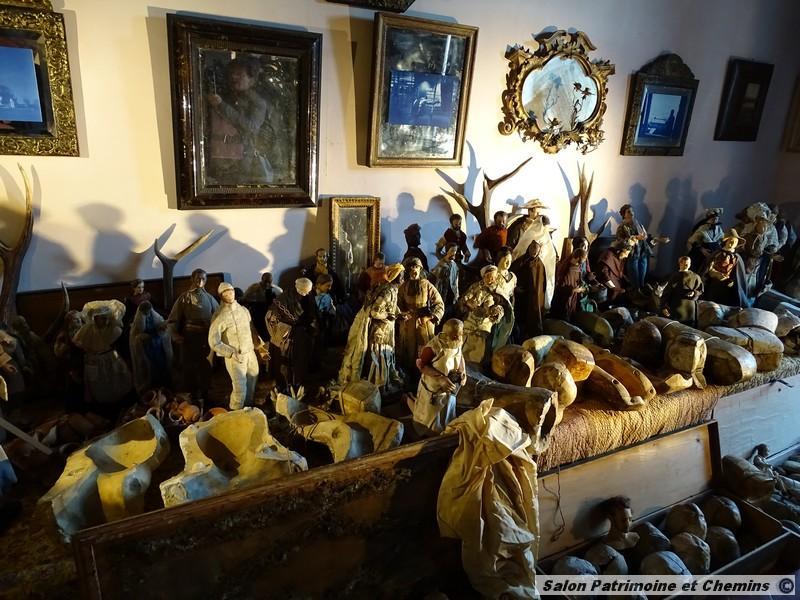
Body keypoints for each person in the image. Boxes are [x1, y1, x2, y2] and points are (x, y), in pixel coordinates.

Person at [206, 56, 272, 185]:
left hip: (241, 162)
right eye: (232, 73)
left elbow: (250, 127)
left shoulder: (257, 102)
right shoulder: (228, 96)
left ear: (252, 79)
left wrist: (221, 105)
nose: (233, 77)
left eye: (239, 74)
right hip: (219, 158)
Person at [339, 263, 404, 390]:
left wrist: (399, 314)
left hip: (385, 328)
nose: (403, 278)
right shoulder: (388, 291)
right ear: (396, 277)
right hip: (381, 329)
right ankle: (377, 382)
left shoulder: (388, 288)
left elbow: (391, 306)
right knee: (379, 354)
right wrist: (388, 316)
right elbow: (375, 312)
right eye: (401, 275)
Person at [209, 282, 267, 410]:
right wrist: (230, 352)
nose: (229, 294)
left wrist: (259, 346)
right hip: (236, 357)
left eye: (231, 291)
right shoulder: (220, 315)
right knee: (240, 388)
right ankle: (235, 412)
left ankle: (248, 409)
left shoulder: (244, 310)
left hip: (250, 352)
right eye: (225, 293)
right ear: (221, 296)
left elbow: (251, 328)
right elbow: (213, 341)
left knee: (252, 380)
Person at [167, 268, 219, 400]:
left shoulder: (209, 298)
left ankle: (205, 392)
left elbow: (218, 315)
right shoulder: (184, 298)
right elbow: (173, 319)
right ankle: (191, 394)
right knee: (189, 366)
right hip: (189, 337)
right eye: (198, 278)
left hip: (206, 337)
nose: (200, 281)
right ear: (192, 279)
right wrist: (174, 334)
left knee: (206, 365)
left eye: (203, 279)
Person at [409, 319, 466, 437]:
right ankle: (426, 432)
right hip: (433, 388)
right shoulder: (433, 347)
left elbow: (460, 355)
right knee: (429, 416)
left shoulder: (457, 342)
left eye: (460, 334)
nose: (459, 338)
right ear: (446, 333)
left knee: (446, 413)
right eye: (455, 336)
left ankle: (445, 430)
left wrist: (463, 371)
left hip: (450, 388)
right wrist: (440, 378)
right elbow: (422, 365)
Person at [72, 300, 132, 406]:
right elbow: (81, 344)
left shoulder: (113, 330)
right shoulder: (87, 330)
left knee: (115, 380)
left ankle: (117, 402)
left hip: (110, 358)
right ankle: (101, 403)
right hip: (94, 360)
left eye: (106, 318)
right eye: (101, 318)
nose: (104, 321)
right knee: (98, 383)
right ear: (95, 318)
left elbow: (119, 343)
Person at [397, 257, 444, 375]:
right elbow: (397, 304)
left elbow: (439, 303)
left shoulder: (427, 285)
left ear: (420, 269)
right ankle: (409, 373)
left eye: (416, 267)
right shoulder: (403, 286)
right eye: (411, 268)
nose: (414, 270)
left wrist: (429, 317)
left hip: (424, 321)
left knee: (424, 348)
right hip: (408, 322)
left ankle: (424, 373)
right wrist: (402, 314)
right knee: (408, 348)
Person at [267, 278, 318, 387]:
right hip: (286, 336)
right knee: (285, 365)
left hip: (302, 335)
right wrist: (286, 330)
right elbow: (272, 319)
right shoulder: (282, 300)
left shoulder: (308, 297)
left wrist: (312, 326)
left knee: (300, 362)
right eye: (304, 292)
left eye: (308, 292)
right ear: (298, 289)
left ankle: (299, 382)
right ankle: (285, 384)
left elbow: (312, 313)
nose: (306, 294)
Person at [616, 204, 669, 290]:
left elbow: (645, 237)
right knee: (635, 281)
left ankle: (641, 293)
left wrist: (658, 239)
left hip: (642, 254)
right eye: (628, 212)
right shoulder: (622, 227)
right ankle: (636, 294)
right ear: (623, 214)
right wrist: (635, 238)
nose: (632, 213)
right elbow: (620, 242)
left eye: (632, 211)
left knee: (642, 280)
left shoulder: (637, 223)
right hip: (633, 256)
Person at [460, 265, 504, 364]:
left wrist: (496, 311)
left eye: (493, 277)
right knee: (464, 343)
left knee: (478, 348)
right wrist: (468, 303)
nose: (490, 279)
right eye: (488, 276)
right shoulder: (476, 287)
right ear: (484, 277)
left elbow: (502, 307)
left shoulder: (498, 292)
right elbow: (464, 299)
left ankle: (475, 364)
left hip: (484, 324)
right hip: (470, 320)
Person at [129, 301, 172, 396]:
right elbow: (135, 338)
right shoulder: (137, 323)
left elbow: (162, 328)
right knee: (149, 368)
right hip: (147, 349)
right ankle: (151, 387)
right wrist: (142, 337)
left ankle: (163, 385)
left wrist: (163, 329)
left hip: (158, 346)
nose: (147, 313)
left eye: (148, 310)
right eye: (145, 312)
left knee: (161, 365)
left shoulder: (156, 317)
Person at [511, 240, 547, 338]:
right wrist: (515, 287)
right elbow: (512, 274)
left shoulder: (540, 265)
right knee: (520, 316)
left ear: (539, 251)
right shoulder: (520, 261)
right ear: (528, 248)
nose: (533, 252)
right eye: (532, 249)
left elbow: (541, 284)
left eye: (536, 251)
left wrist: (535, 294)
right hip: (520, 295)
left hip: (533, 296)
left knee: (532, 315)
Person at [703, 229, 749, 307]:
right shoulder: (718, 254)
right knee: (711, 303)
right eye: (731, 241)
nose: (733, 243)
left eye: (735, 242)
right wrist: (715, 274)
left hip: (727, 286)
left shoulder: (737, 257)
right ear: (726, 241)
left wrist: (732, 281)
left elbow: (738, 274)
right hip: (715, 283)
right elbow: (708, 268)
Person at [551, 248, 593, 322]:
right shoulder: (566, 269)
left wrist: (582, 286)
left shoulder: (577, 266)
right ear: (578, 258)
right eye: (583, 259)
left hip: (572, 298)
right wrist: (574, 290)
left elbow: (577, 279)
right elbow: (560, 287)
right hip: (563, 300)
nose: (584, 261)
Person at [662, 256, 704, 326]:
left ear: (690, 264)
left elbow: (700, 290)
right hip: (676, 308)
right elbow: (666, 292)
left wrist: (694, 293)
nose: (685, 266)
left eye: (687, 264)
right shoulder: (674, 276)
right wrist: (663, 306)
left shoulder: (695, 277)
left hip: (690, 310)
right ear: (679, 264)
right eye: (683, 264)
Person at [241, 272, 282, 341]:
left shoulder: (275, 290)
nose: (267, 284)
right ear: (262, 279)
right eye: (265, 281)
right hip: (256, 313)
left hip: (268, 313)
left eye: (269, 282)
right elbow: (245, 299)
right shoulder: (254, 288)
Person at [490, 247, 517, 351]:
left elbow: (512, 294)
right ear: (499, 259)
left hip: (508, 309)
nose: (508, 263)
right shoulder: (493, 275)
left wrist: (512, 305)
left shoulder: (512, 277)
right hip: (495, 308)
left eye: (510, 260)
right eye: (505, 260)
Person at [595, 240, 633, 306]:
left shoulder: (620, 256)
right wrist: (614, 288)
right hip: (606, 280)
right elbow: (604, 274)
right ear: (619, 251)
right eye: (625, 254)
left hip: (616, 279)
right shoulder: (608, 255)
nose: (626, 256)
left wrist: (625, 278)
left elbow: (620, 270)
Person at [686, 208, 724, 273]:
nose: (715, 219)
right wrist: (702, 249)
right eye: (713, 218)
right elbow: (691, 241)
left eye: (716, 218)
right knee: (699, 268)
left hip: (715, 253)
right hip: (703, 252)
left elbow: (721, 238)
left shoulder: (719, 229)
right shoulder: (703, 228)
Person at [429, 243, 460, 312]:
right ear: (447, 251)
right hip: (442, 293)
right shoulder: (441, 266)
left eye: (455, 250)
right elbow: (434, 279)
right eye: (452, 251)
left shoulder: (454, 265)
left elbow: (456, 280)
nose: (454, 253)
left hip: (451, 293)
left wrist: (456, 293)